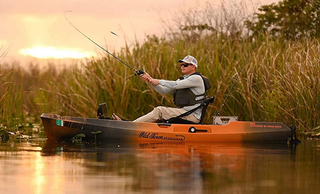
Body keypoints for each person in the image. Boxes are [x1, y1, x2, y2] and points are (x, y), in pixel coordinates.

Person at [112, 55, 210, 123]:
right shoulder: (183, 80)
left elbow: (175, 85)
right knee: (159, 113)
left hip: (193, 116)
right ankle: (132, 124)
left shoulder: (196, 78)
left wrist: (158, 81)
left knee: (159, 111)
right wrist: (150, 81)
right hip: (185, 113)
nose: (182, 66)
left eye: (185, 65)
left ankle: (130, 126)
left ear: (193, 67)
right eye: (181, 64)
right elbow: (164, 91)